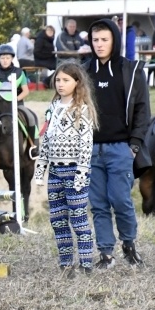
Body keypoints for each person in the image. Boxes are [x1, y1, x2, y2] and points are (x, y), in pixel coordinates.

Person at [83, 19, 151, 269]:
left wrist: (133, 146)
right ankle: (106, 254)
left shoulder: (131, 70)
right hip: (90, 150)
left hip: (121, 148)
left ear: (114, 40)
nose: (99, 44)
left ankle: (129, 246)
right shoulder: (84, 71)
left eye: (104, 39)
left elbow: (143, 110)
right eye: (95, 40)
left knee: (121, 200)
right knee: (98, 204)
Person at [34, 62, 98, 276]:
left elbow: (86, 145)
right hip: (55, 171)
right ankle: (66, 263)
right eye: (58, 80)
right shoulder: (52, 108)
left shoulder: (82, 110)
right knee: (58, 219)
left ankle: (86, 264)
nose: (60, 84)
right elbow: (46, 140)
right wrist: (40, 170)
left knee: (79, 218)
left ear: (77, 82)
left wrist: (81, 172)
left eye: (66, 80)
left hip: (74, 171)